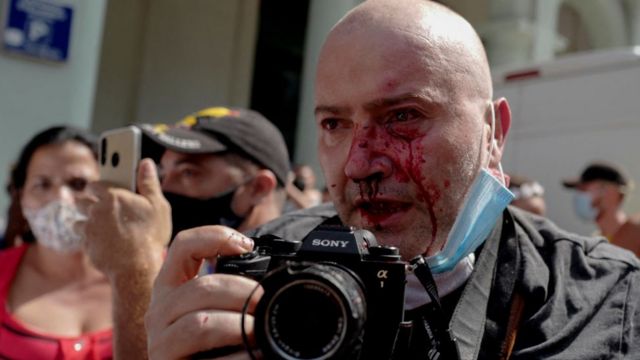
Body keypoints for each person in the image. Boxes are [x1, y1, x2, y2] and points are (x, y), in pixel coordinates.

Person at [145, 1, 640, 359]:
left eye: (404, 115)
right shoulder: (262, 272)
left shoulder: (605, 299)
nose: (360, 163)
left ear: (494, 133)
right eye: (334, 124)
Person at [81, 106, 291, 357]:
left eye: (189, 172)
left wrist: (134, 268)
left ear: (258, 188)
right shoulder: (192, 267)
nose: (165, 188)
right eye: (164, 173)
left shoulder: (292, 291)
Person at [0, 126, 113, 359]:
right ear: (21, 197)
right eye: (42, 185)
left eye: (79, 184)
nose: (60, 199)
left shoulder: (148, 272)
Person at [563, 161, 640, 256]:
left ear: (609, 191)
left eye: (584, 189)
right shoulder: (594, 244)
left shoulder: (636, 232)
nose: (579, 196)